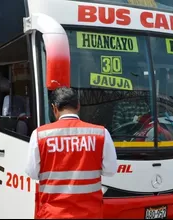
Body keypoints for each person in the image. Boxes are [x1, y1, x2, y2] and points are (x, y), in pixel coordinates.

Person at [25, 87, 118, 219]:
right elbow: (110, 170)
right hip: (90, 214)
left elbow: (32, 173)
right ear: (78, 106)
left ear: (54, 108)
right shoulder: (101, 133)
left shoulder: (40, 135)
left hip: (53, 214)